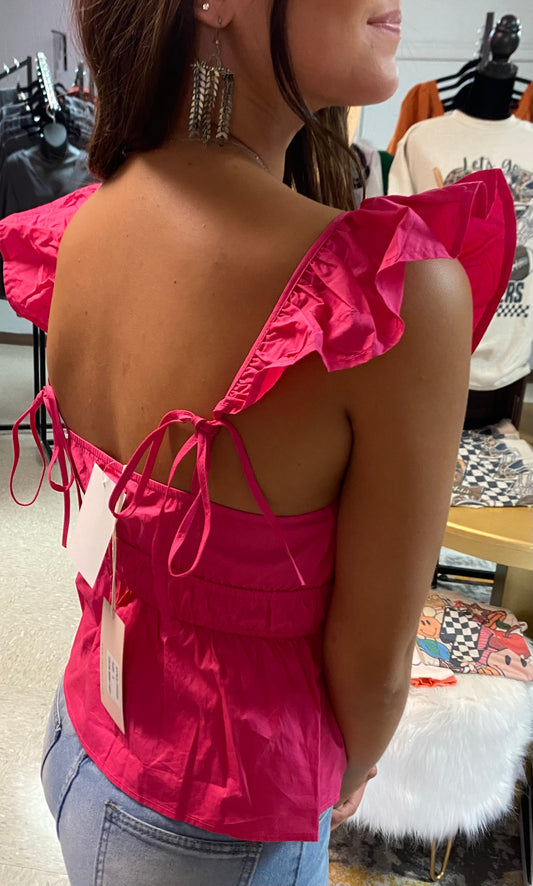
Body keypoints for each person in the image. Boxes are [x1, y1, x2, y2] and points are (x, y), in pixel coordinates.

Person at [0, 0, 515, 884]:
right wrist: (345, 773)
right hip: (220, 826)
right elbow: (373, 672)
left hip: (80, 738)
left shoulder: (83, 222)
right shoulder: (392, 297)